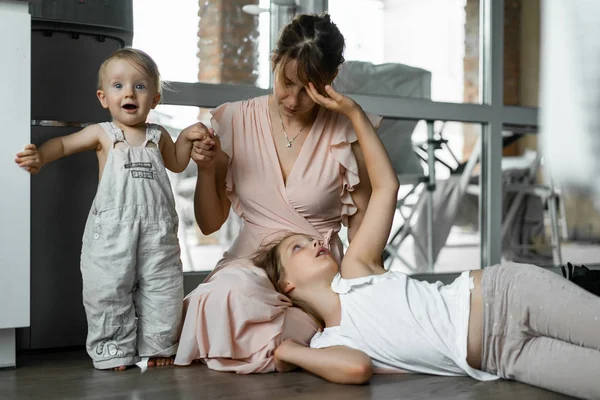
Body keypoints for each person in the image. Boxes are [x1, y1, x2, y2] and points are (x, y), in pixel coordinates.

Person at [254, 86, 600, 399]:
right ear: (286, 284)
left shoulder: (355, 271)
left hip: (508, 297)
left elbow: (386, 187)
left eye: (309, 239)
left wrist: (355, 115)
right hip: (502, 357)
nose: (316, 243)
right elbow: (356, 369)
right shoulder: (328, 343)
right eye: (297, 247)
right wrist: (289, 352)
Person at [174, 13, 382, 373]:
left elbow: (366, 229)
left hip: (314, 274)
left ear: (331, 78)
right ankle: (272, 345)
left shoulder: (345, 130)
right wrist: (208, 168)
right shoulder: (234, 120)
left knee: (293, 324)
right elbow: (208, 224)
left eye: (310, 87)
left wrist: (360, 287)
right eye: (287, 81)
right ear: (274, 61)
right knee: (227, 296)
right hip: (250, 267)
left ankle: (271, 345)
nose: (293, 98)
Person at [14, 48, 210, 371]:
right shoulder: (103, 134)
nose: (129, 93)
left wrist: (187, 137)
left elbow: (176, 162)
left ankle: (159, 345)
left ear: (156, 99)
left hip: (157, 234)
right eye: (118, 86)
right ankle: (113, 350)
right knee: (108, 289)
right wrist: (41, 156)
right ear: (103, 97)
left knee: (164, 288)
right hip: (111, 235)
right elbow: (64, 144)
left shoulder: (158, 136)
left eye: (140, 86)